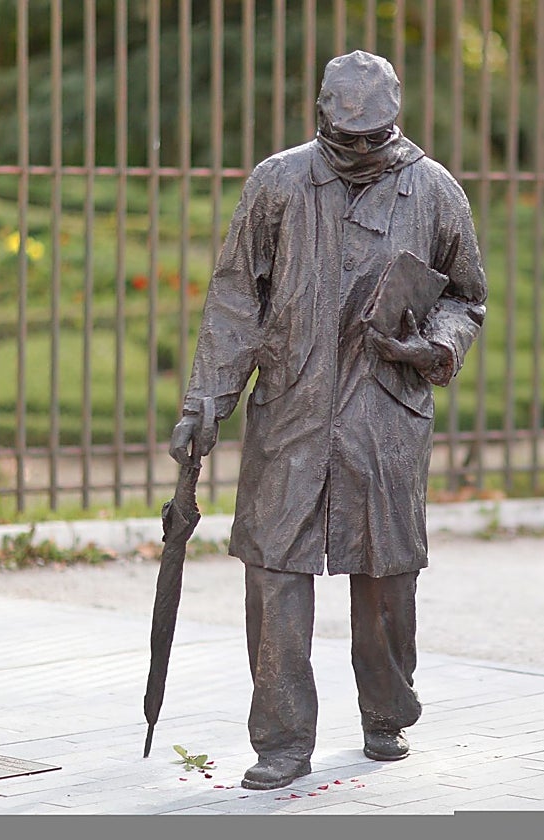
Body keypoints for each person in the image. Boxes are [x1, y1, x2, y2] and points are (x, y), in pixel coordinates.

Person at [169, 50, 487, 792]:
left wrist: (432, 343)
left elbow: (466, 298)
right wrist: (205, 403)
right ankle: (281, 740)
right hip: (291, 410)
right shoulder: (277, 183)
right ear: (320, 120)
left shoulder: (435, 191)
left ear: (395, 124)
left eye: (374, 141)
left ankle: (385, 712)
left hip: (386, 412)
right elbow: (235, 301)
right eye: (346, 141)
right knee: (274, 570)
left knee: (384, 578)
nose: (359, 154)